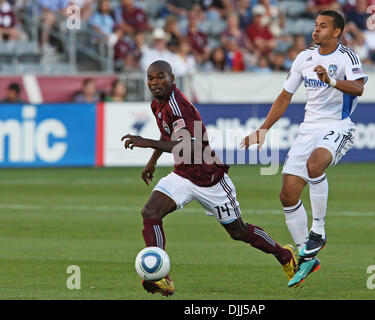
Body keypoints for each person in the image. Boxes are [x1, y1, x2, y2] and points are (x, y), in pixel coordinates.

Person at [120, 60, 298, 296]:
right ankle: (161, 276)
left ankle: (285, 256)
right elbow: (167, 133)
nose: (155, 82)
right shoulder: (157, 104)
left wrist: (147, 143)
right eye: (151, 78)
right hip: (183, 175)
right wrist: (152, 160)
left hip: (210, 179)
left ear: (172, 78)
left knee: (238, 231)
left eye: (160, 77)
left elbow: (191, 148)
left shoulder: (178, 105)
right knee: (150, 212)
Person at [241, 10, 368, 288]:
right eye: (315, 25)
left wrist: (331, 81)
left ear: (336, 32)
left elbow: (358, 89)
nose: (316, 30)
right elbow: (285, 96)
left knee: (315, 165)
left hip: (338, 125)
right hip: (308, 129)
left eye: (323, 26)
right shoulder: (304, 58)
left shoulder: (347, 57)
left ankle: (318, 231)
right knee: (287, 194)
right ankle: (306, 255)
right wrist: (263, 129)